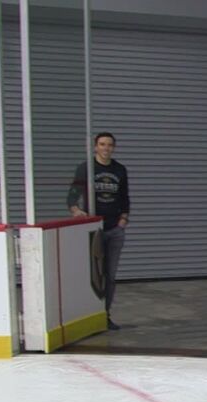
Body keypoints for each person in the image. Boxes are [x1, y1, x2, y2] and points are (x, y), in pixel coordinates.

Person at [68, 131, 130, 330]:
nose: (106, 148)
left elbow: (124, 197)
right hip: (94, 229)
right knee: (94, 276)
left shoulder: (120, 170)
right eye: (102, 144)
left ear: (114, 148)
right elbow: (72, 195)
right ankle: (89, 317)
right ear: (96, 147)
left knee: (110, 276)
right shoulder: (85, 168)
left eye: (110, 145)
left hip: (114, 229)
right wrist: (76, 210)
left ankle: (105, 315)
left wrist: (123, 219)